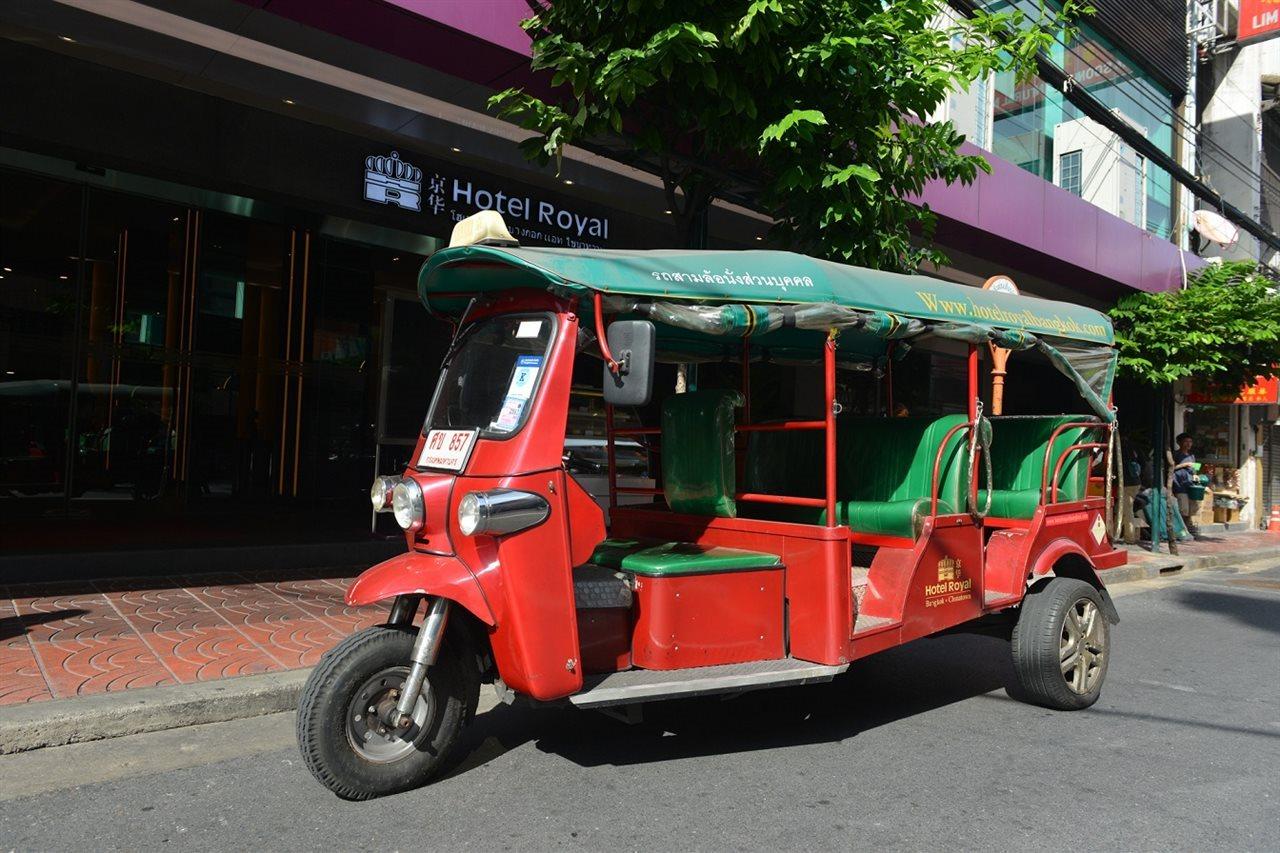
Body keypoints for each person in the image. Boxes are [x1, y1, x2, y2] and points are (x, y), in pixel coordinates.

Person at [1169, 432, 1205, 540]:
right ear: (1179, 443)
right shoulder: (1175, 454)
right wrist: (1184, 465)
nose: (1188, 444)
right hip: (1179, 484)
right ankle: (1182, 529)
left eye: (1190, 442)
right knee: (1183, 508)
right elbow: (1171, 468)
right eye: (1186, 441)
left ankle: (1187, 529)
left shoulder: (1191, 456)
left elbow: (1194, 469)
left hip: (1190, 484)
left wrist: (1196, 475)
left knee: (1191, 509)